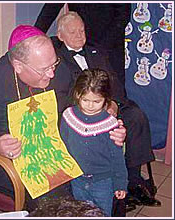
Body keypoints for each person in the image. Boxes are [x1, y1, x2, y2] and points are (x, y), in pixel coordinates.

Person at [0, 24, 126, 212]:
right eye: (44, 69)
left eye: (53, 64)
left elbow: (80, 100)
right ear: (18, 65)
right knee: (61, 205)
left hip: (55, 148)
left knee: (104, 174)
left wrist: (108, 121)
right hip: (10, 160)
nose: (52, 73)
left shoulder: (57, 68)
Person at [54, 11, 161, 215]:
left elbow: (113, 82)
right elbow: (66, 96)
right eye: (73, 32)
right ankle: (117, 182)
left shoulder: (97, 52)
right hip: (85, 111)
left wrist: (113, 105)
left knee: (136, 116)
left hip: (110, 105)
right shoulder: (58, 61)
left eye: (82, 30)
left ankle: (133, 180)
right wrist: (98, 108)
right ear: (60, 35)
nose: (79, 36)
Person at [60, 68, 128, 216]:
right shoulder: (68, 116)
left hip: (103, 182)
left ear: (106, 99)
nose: (90, 106)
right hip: (77, 179)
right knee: (80, 213)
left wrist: (120, 184)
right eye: (85, 100)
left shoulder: (111, 124)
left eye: (97, 101)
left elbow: (117, 158)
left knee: (102, 214)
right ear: (78, 95)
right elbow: (63, 145)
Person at [34, 3, 131, 93]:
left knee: (113, 90)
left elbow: (123, 14)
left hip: (109, 46)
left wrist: (102, 47)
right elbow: (51, 8)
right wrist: (33, 36)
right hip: (80, 42)